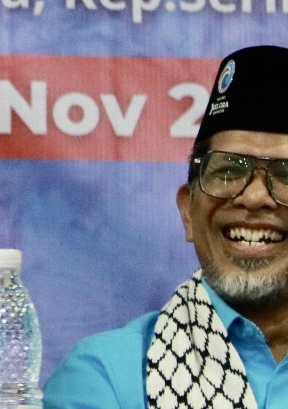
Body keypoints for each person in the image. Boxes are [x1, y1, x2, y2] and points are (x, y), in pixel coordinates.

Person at [45, 44, 288, 408]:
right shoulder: (105, 378)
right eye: (228, 171)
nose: (254, 197)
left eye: (286, 175)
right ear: (188, 212)